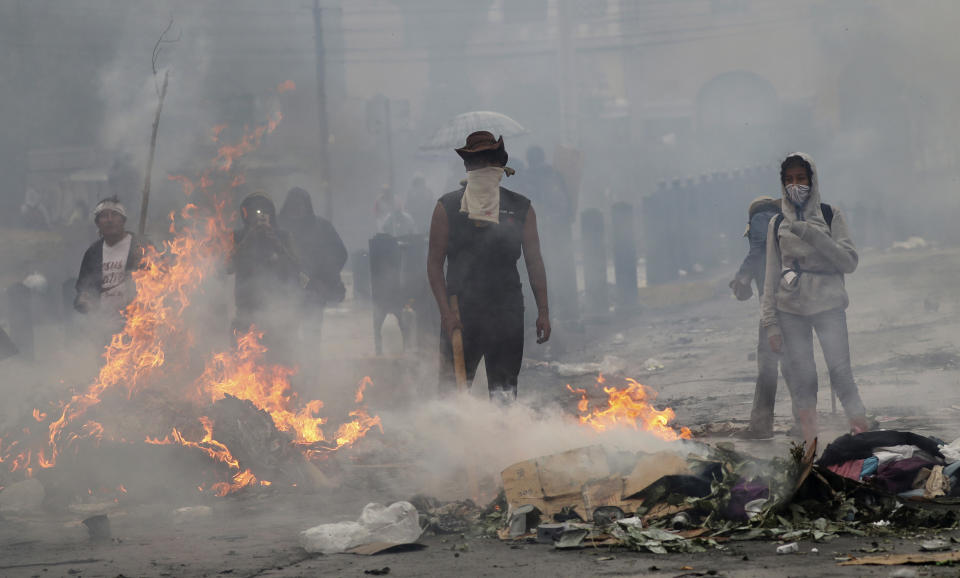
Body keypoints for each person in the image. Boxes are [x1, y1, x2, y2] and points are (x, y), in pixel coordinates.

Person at [427, 131, 551, 402]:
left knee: (504, 393)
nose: (482, 167)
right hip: (461, 313)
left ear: (499, 166)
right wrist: (446, 314)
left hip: (506, 311)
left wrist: (543, 311)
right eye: (476, 162)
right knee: (452, 393)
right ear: (468, 168)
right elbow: (434, 265)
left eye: (488, 161)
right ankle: (454, 442)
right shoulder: (447, 207)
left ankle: (501, 441)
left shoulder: (520, 208)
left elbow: (534, 261)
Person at [760, 153, 869, 444]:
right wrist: (770, 324)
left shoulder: (831, 215)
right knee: (803, 379)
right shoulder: (777, 224)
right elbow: (771, 275)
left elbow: (848, 262)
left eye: (801, 178)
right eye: (789, 180)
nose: (795, 185)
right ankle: (811, 446)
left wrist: (812, 234)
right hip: (790, 309)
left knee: (841, 373)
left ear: (812, 180)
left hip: (829, 305)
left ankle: (861, 436)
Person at [730, 196, 799, 439]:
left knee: (768, 362)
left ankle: (761, 426)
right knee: (791, 362)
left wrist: (743, 276)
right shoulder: (786, 220)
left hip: (774, 302)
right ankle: (803, 421)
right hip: (794, 299)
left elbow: (759, 250)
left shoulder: (761, 218)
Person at [228, 192, 301, 359]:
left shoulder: (283, 236)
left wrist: (276, 242)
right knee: (243, 359)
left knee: (278, 360)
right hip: (246, 308)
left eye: (262, 212)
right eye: (253, 212)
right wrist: (248, 239)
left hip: (277, 309)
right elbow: (228, 267)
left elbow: (296, 266)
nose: (257, 216)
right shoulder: (238, 237)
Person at [74, 197, 149, 330]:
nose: (109, 219)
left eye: (114, 214)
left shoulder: (141, 246)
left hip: (136, 325)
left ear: (123, 220)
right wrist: (84, 300)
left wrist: (143, 266)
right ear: (97, 223)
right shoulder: (93, 253)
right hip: (103, 327)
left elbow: (160, 278)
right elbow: (84, 288)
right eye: (104, 216)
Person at [278, 186, 348, 318]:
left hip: (314, 289)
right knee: (287, 330)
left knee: (312, 329)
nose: (297, 210)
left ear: (307, 206)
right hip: (285, 291)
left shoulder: (322, 227)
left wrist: (324, 277)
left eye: (300, 205)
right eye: (293, 206)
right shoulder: (277, 227)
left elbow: (340, 253)